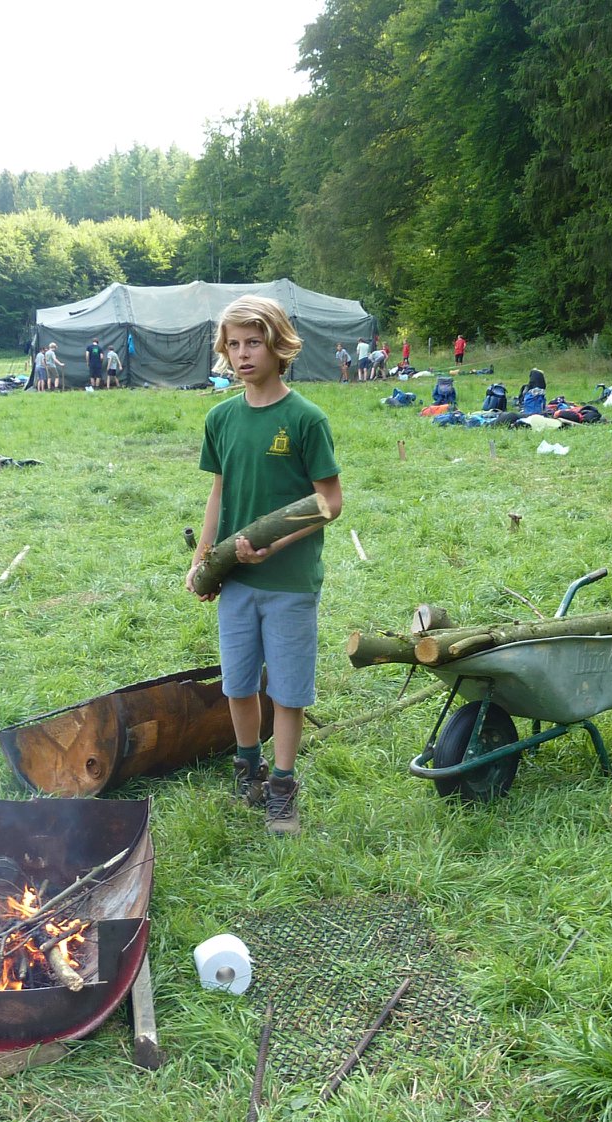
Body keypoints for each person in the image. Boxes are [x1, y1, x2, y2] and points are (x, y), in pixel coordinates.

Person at [186, 295, 343, 836]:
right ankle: (246, 769)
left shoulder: (305, 419)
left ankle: (282, 786)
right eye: (233, 344)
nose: (242, 354)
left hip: (290, 583)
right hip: (236, 579)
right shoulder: (221, 418)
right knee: (237, 683)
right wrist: (203, 559)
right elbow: (218, 494)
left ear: (279, 346)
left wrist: (276, 544)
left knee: (291, 688)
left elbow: (330, 503)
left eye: (253, 342)